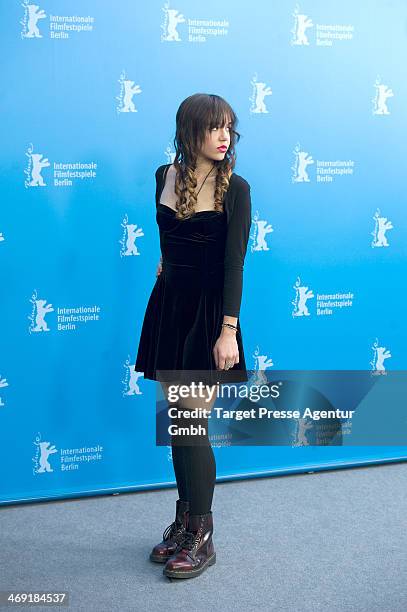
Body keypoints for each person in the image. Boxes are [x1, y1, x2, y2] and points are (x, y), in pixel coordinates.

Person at [134, 93, 252, 579]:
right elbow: (168, 241)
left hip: (208, 315)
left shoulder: (237, 188)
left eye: (230, 128)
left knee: (192, 423)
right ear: (190, 132)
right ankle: (184, 522)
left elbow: (233, 263)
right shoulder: (164, 176)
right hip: (169, 309)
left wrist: (228, 330)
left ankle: (203, 536)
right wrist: (167, 267)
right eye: (215, 128)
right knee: (178, 425)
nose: (225, 137)